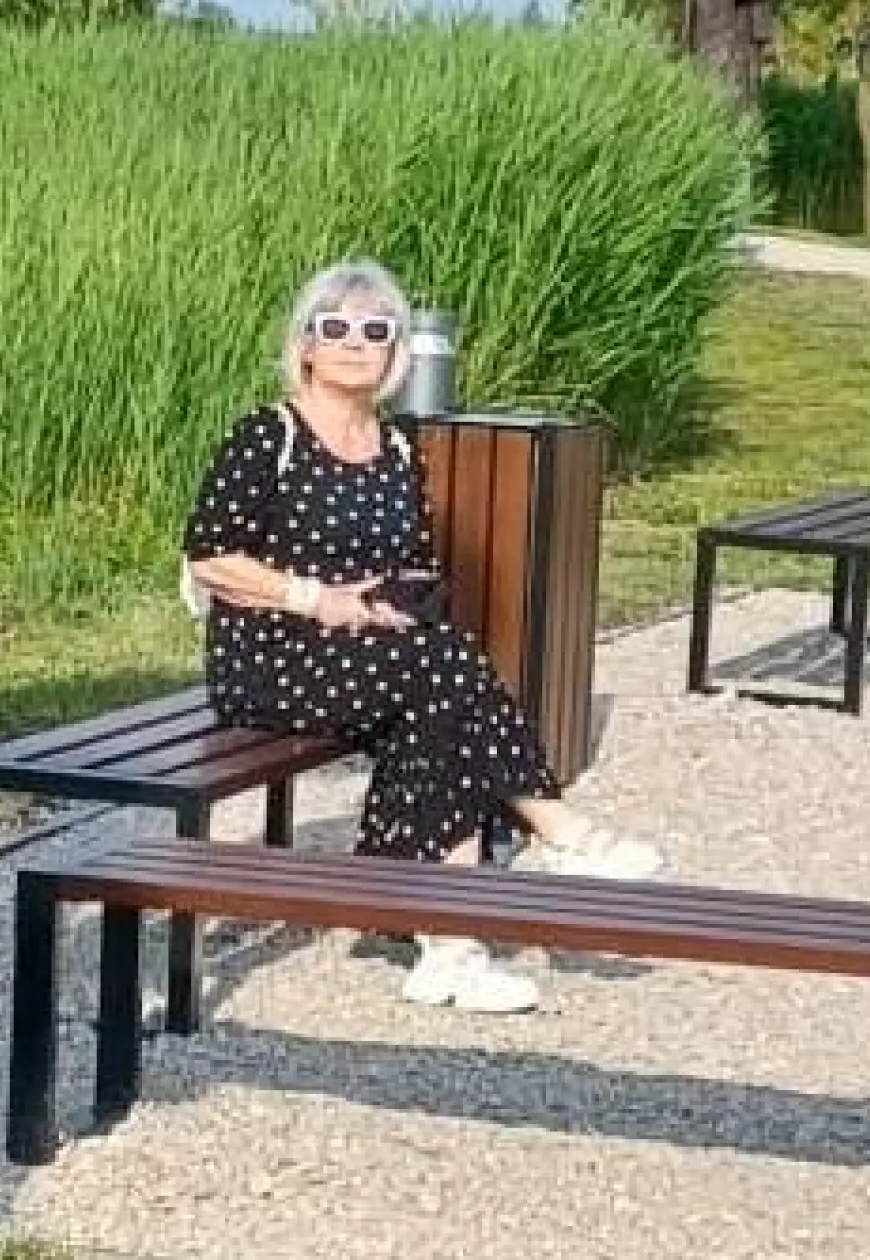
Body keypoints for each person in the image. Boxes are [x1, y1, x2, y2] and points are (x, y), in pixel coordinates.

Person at [182, 257, 663, 1015]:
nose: (355, 342)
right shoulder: (267, 436)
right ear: (305, 345)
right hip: (270, 659)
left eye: (376, 330)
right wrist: (315, 599)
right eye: (335, 327)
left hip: (368, 655)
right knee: (445, 670)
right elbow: (210, 558)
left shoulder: (395, 447)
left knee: (440, 705)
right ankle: (553, 832)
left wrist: (394, 601)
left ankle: (450, 944)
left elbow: (407, 563)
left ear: (396, 352)